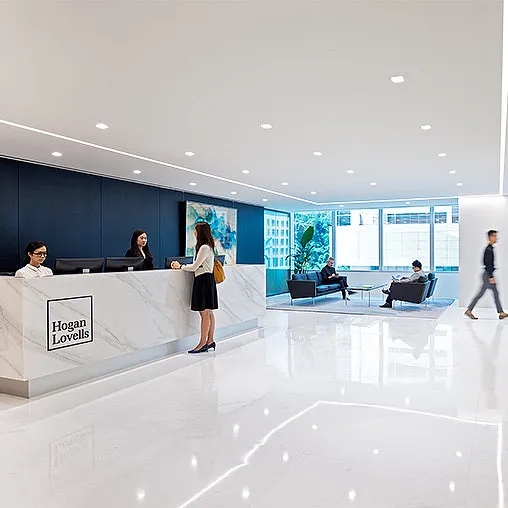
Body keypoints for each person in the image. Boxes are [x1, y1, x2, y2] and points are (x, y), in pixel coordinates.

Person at [171, 222, 218, 354]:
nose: (194, 233)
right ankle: (210, 341)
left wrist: (180, 266)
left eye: (196, 231)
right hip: (208, 280)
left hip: (203, 280)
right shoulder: (208, 247)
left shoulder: (204, 247)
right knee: (209, 313)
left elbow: (195, 267)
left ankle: (203, 343)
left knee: (205, 313)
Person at [465, 230, 508, 320]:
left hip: (487, 274)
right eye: (494, 236)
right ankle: (469, 310)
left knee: (492, 293)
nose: (496, 238)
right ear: (490, 237)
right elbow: (487, 263)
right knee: (484, 294)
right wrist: (491, 276)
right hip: (488, 275)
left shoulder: (490, 248)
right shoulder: (489, 250)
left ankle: (501, 312)